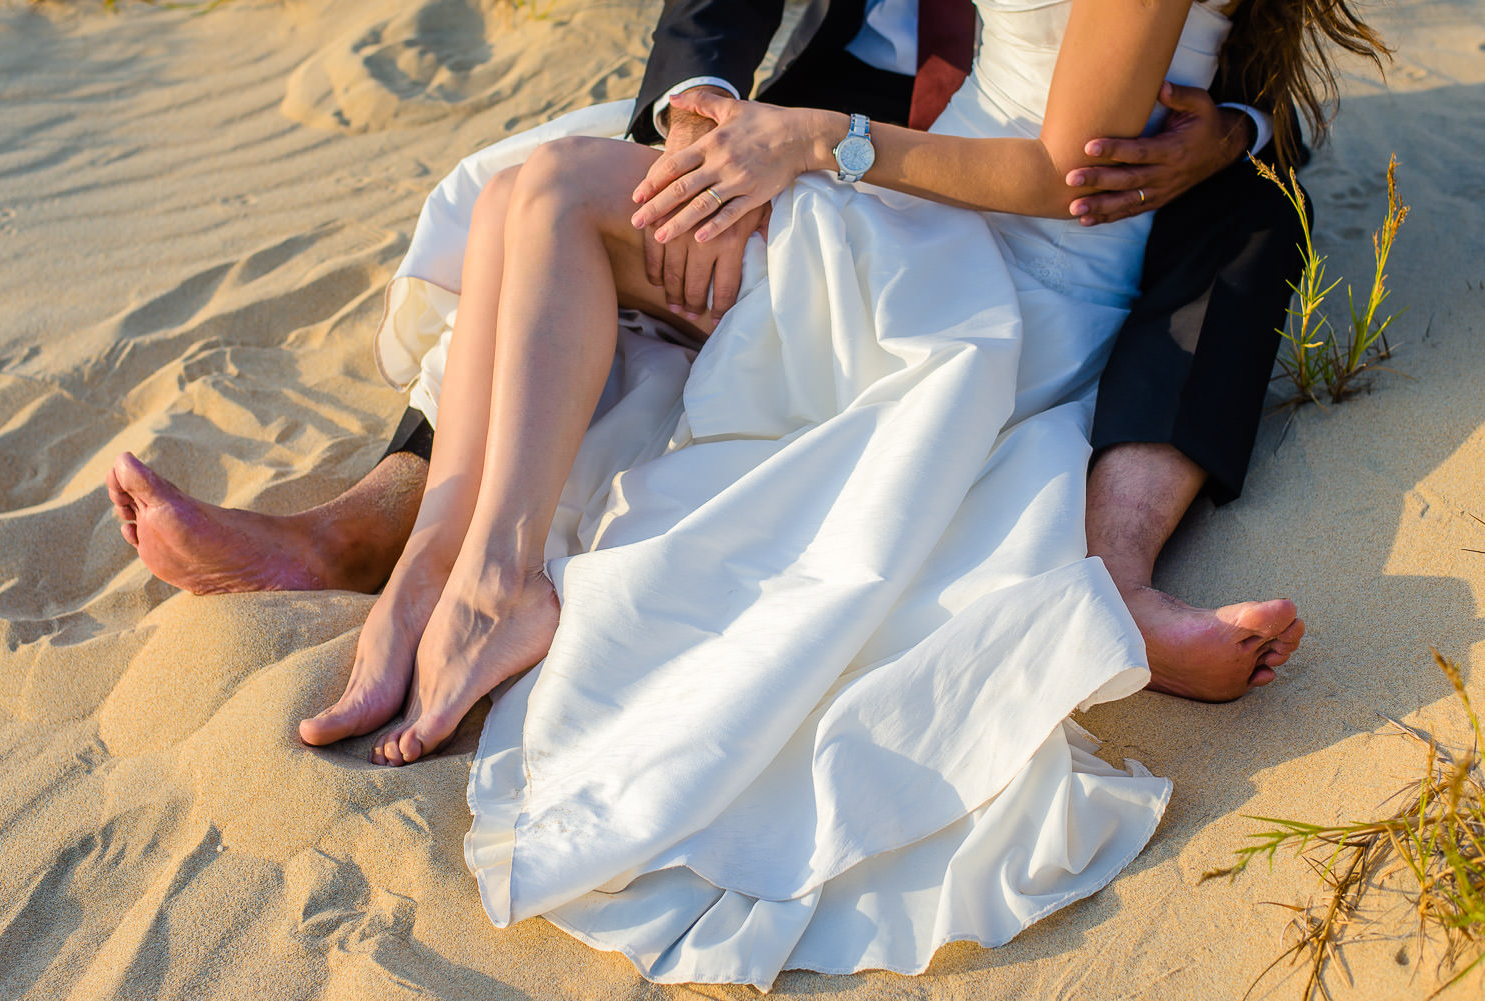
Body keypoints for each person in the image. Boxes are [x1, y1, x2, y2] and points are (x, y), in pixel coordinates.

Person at [106, 0, 1388, 985]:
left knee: (552, 195)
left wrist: (820, 145)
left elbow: (1071, 168)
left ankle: (487, 578)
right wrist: (759, 129)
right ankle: (443, 559)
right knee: (524, 191)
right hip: (921, 186)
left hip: (1008, 261)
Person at [109, 0, 1313, 704]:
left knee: (562, 200)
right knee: (539, 187)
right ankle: (402, 533)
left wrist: (1235, 133)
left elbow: (1132, 133)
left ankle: (452, 566)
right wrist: (710, 126)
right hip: (892, 160)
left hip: (998, 223)